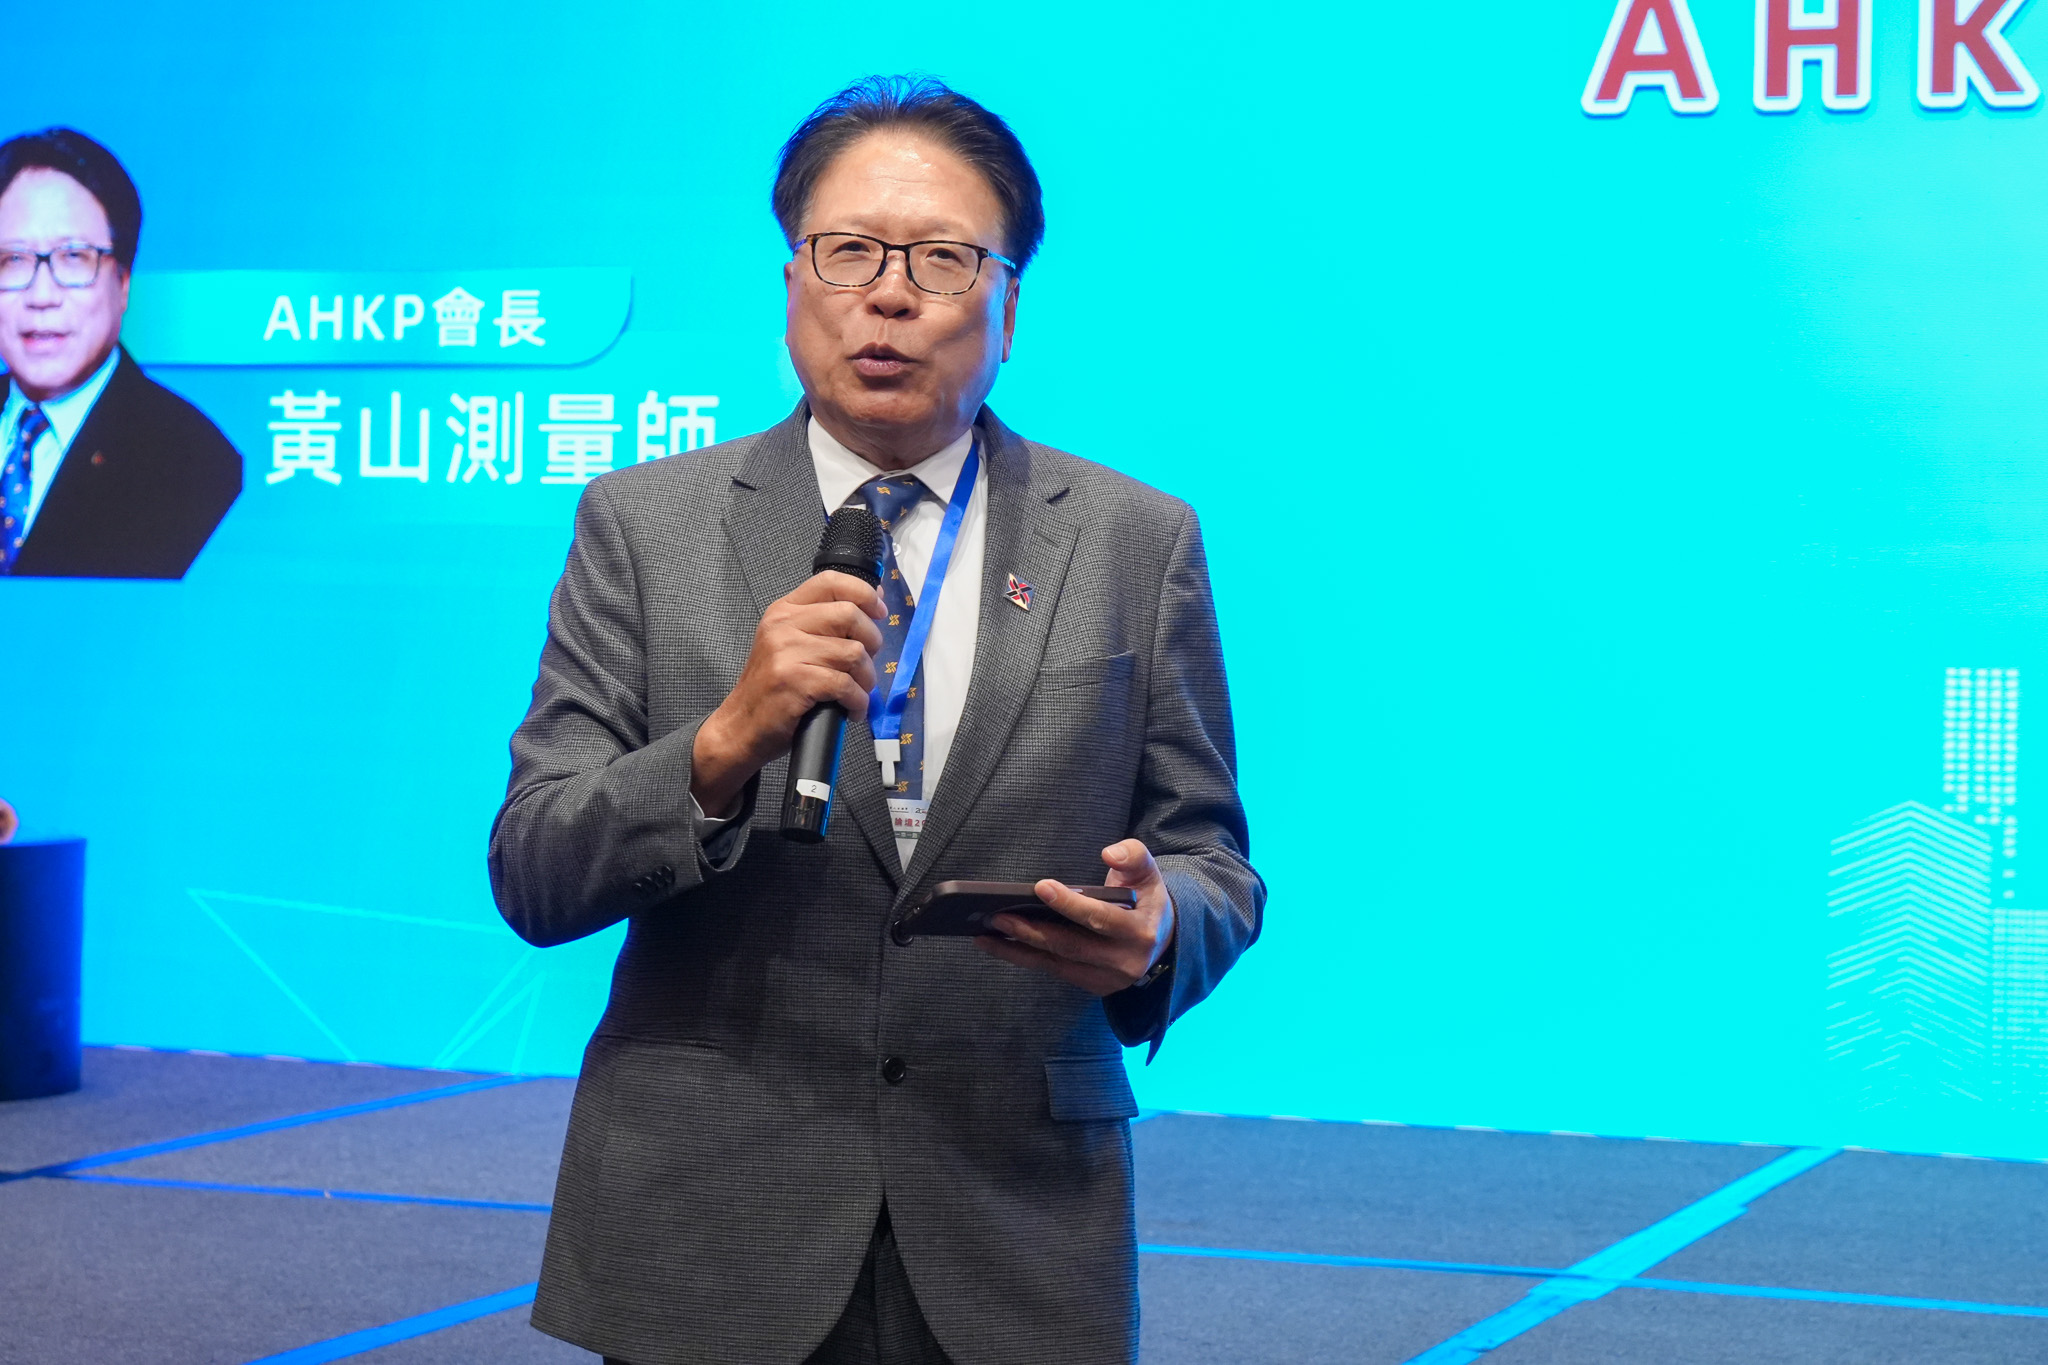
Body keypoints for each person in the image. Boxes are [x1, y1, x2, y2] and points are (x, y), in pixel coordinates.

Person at [491, 76, 1262, 1365]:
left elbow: (1212, 860)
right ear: (792, 282)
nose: (889, 296)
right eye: (848, 251)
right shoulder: (644, 527)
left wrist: (1158, 930)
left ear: (1009, 305)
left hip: (1014, 1219)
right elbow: (534, 868)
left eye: (943, 260)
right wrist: (724, 743)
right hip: (710, 1214)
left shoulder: (1133, 540)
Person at [0, 128, 240, 580]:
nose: (41, 295)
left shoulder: (193, 462)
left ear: (124, 283)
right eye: (13, 261)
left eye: (74, 258)